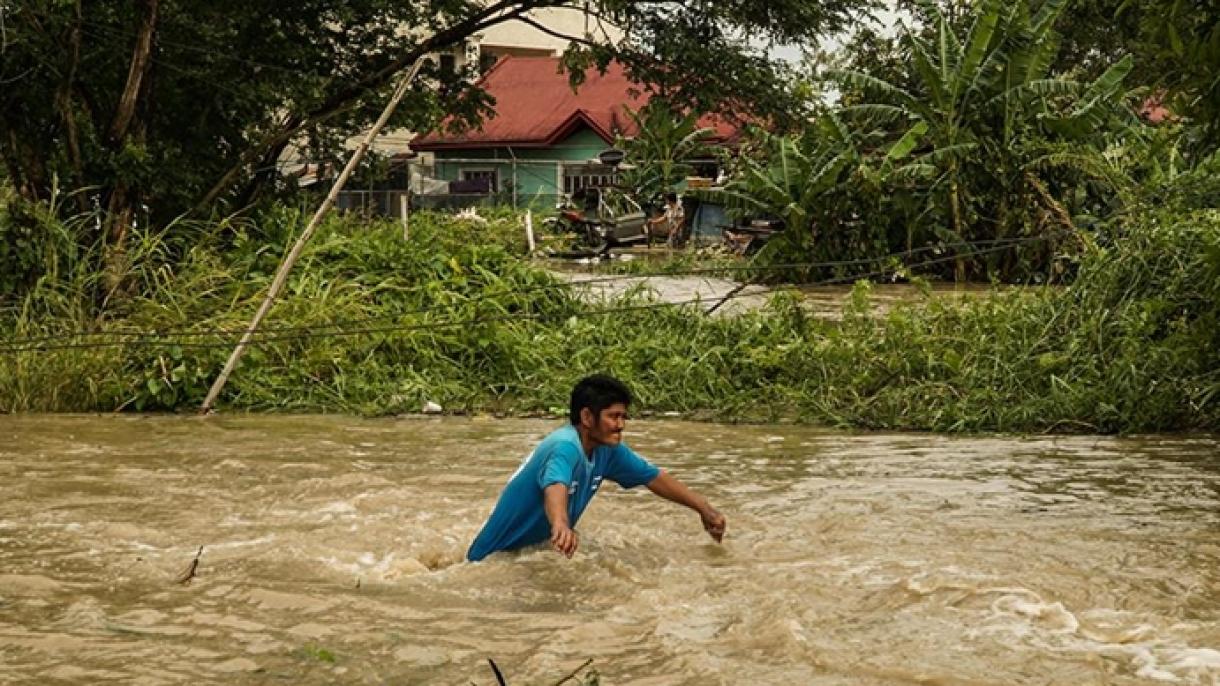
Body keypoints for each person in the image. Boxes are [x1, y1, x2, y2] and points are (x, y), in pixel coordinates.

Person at [466, 374, 726, 562]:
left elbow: (653, 477)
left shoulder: (607, 451)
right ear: (587, 417)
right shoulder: (564, 446)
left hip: (530, 555)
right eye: (613, 416)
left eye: (624, 417)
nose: (621, 425)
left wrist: (704, 509)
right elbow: (555, 485)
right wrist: (561, 524)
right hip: (492, 561)